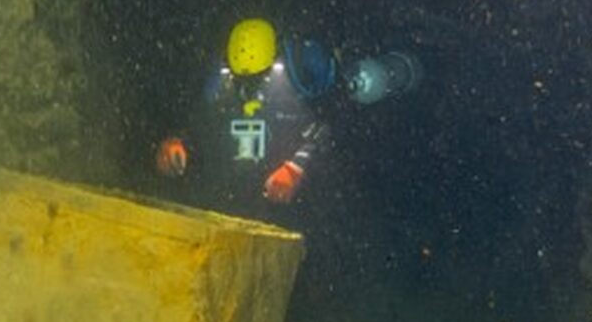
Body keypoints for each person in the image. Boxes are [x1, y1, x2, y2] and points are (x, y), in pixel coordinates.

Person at [156, 17, 420, 213]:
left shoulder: (301, 81)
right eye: (241, 79)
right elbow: (201, 123)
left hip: (295, 206)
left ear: (274, 59)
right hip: (231, 199)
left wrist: (297, 167)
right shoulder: (222, 81)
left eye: (257, 78)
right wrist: (178, 143)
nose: (247, 86)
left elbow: (332, 130)